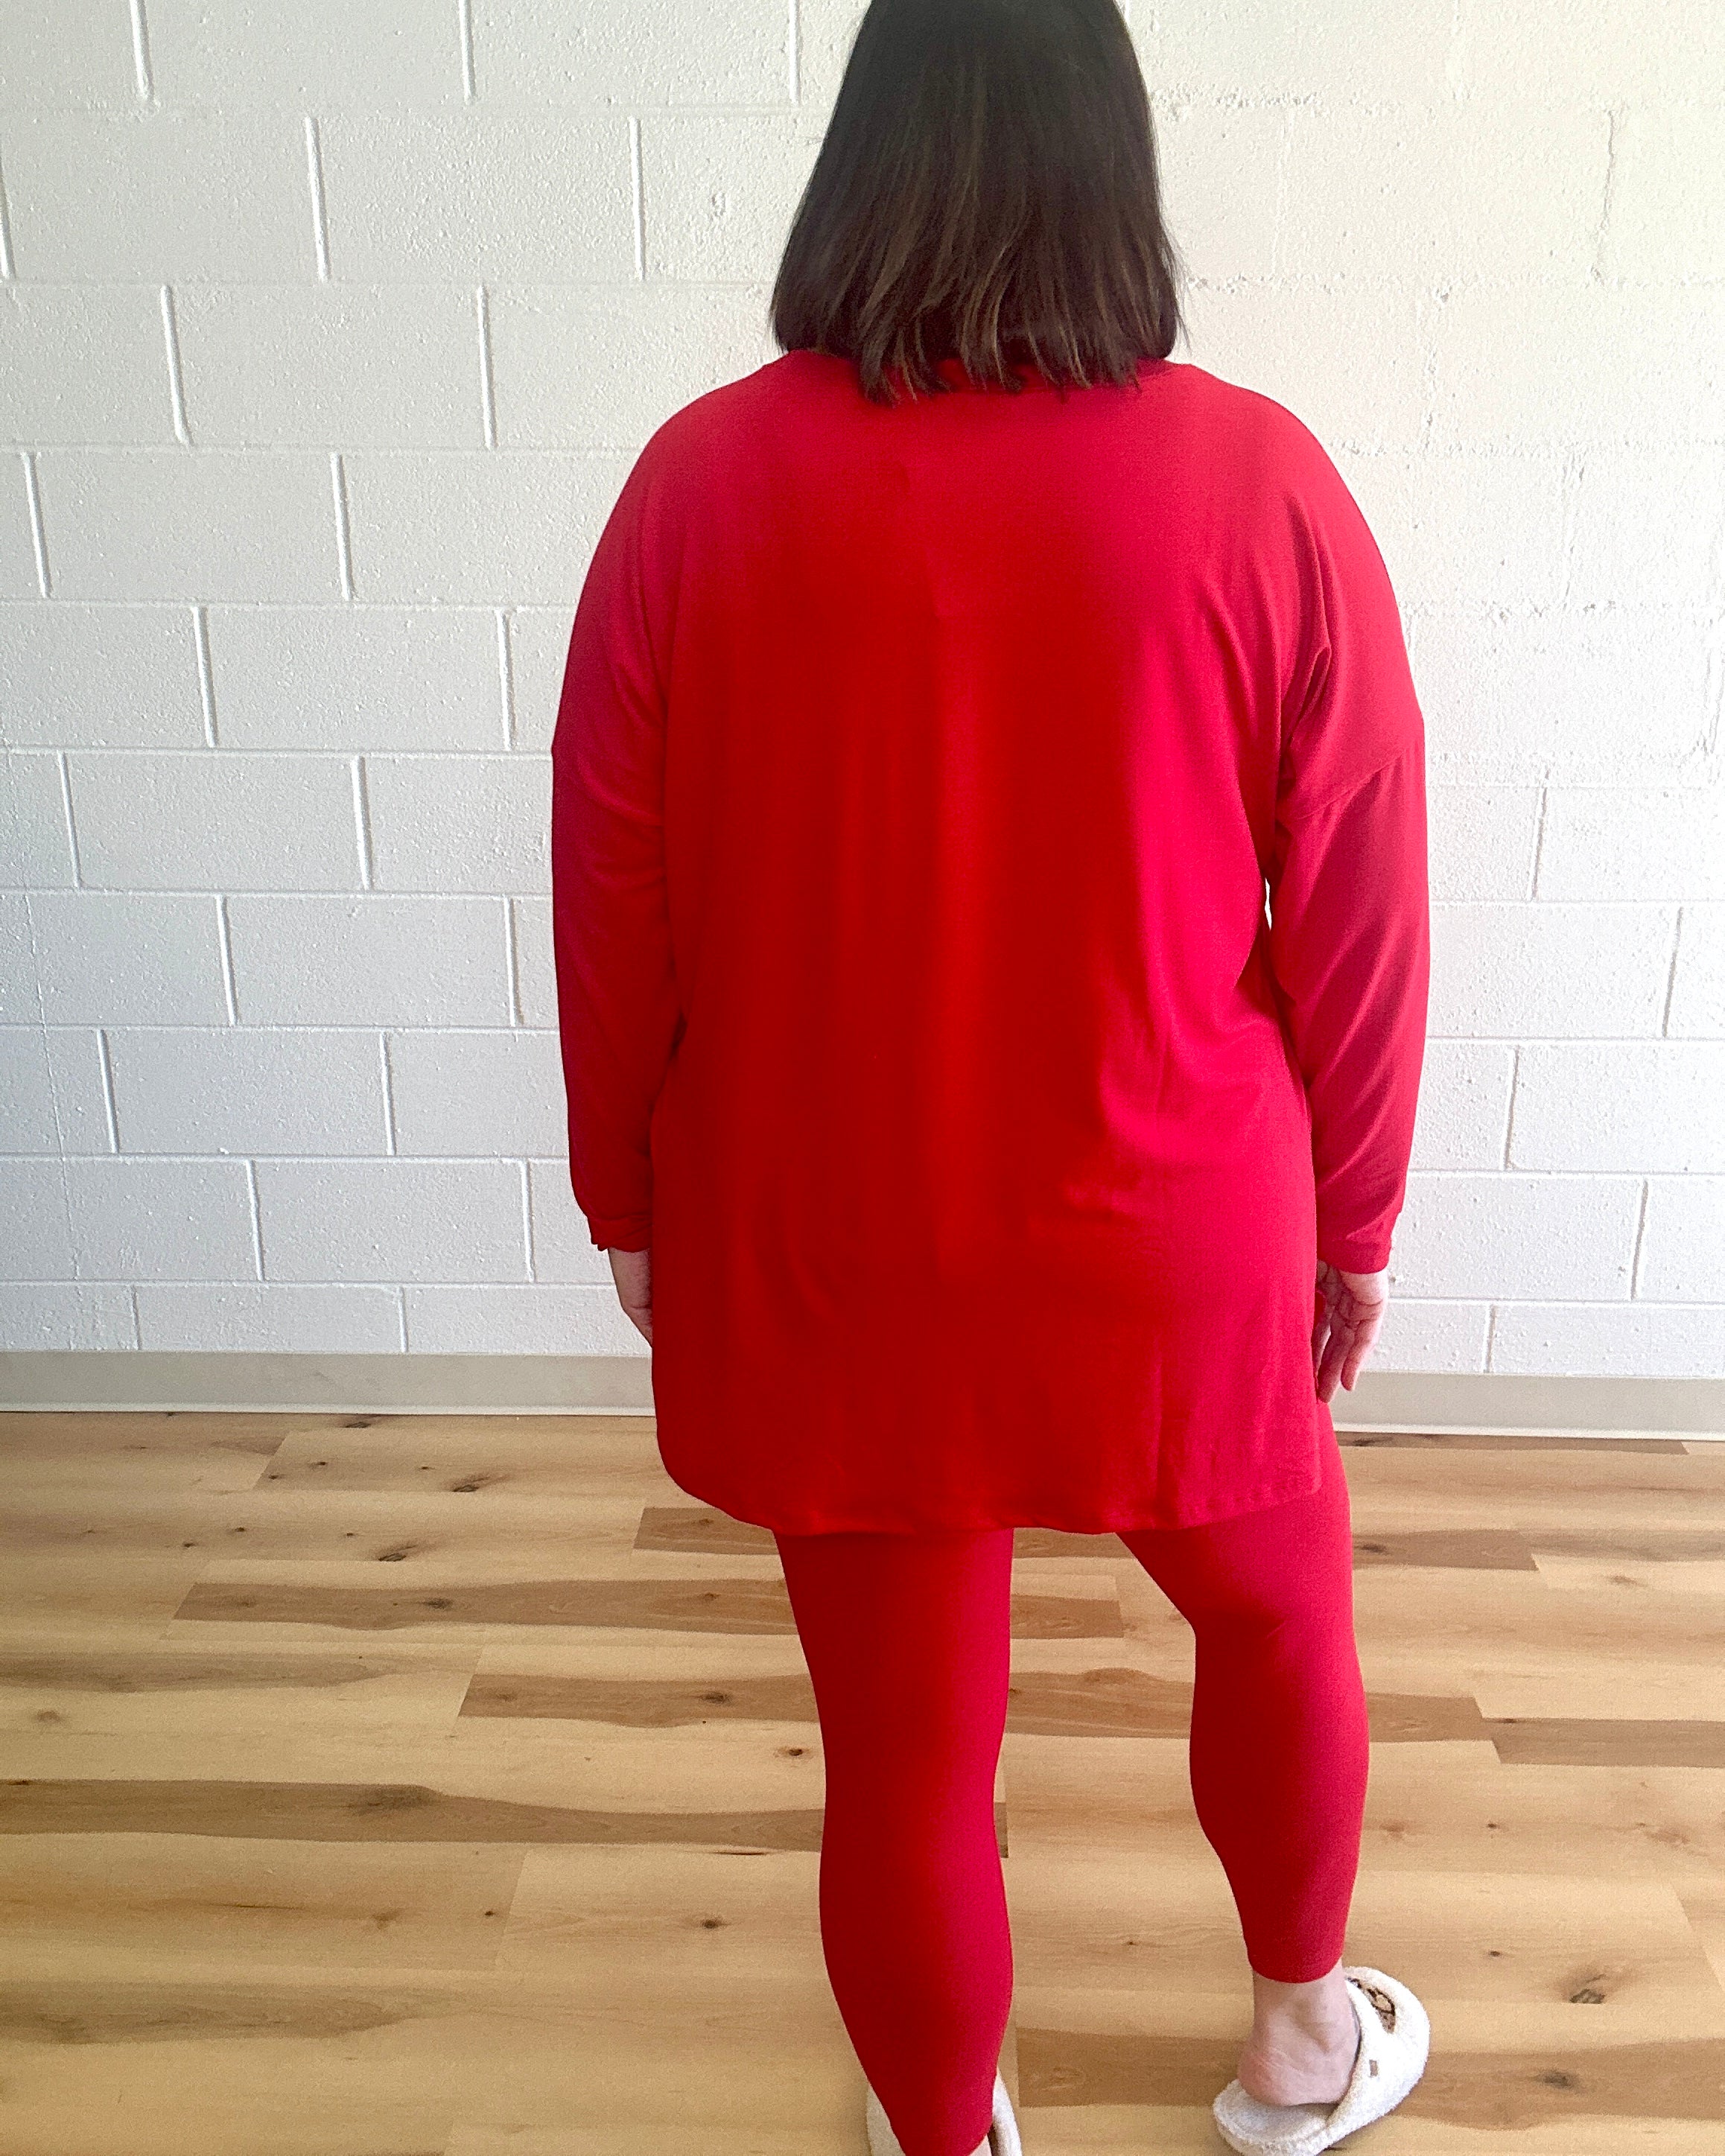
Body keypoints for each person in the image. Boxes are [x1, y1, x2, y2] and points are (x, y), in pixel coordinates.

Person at [549, 4, 1433, 2152]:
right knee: (1281, 1623)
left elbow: (609, 884)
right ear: (1113, 166)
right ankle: (1299, 2050)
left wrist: (627, 1202)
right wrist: (1359, 1220)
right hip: (1168, 1232)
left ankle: (950, 2131)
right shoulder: (1260, 484)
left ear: (861, 161)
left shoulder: (699, 483)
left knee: (906, 1759)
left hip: (836, 1237)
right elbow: (1363, 905)